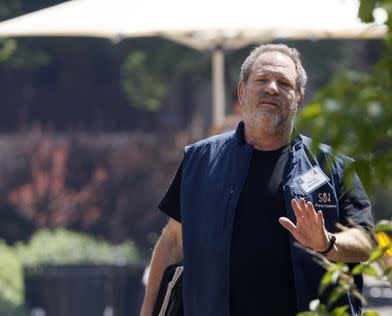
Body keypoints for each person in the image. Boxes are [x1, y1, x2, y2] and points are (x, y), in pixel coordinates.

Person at [140, 43, 376, 316]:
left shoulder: (333, 167)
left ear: (299, 98)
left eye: (284, 83)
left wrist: (328, 243)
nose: (272, 88)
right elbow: (173, 241)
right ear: (242, 91)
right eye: (262, 80)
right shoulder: (200, 160)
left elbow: (366, 243)